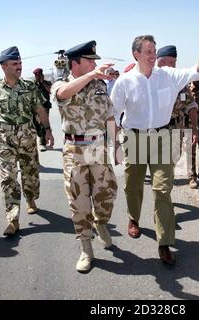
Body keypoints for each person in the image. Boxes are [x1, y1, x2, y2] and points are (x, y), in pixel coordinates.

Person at [111, 22, 199, 265]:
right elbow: (114, 115)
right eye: (148, 51)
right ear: (136, 54)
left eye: (154, 50)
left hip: (162, 138)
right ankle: (134, 218)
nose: (153, 55)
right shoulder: (125, 81)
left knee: (162, 190)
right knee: (133, 185)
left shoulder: (168, 76)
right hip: (134, 138)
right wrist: (114, 145)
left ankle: (165, 241)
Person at [51, 41, 118, 273]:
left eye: (95, 61)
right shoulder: (60, 84)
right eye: (90, 60)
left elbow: (109, 116)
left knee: (107, 195)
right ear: (75, 62)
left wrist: (116, 144)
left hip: (99, 148)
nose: (95, 64)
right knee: (79, 202)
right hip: (75, 151)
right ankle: (86, 248)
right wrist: (91, 76)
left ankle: (101, 223)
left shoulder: (99, 85)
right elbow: (62, 94)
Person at [0, 46, 54, 236]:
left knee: (30, 172)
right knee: (8, 177)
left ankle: (31, 198)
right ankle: (12, 219)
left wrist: (47, 130)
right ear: (4, 66)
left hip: (27, 136)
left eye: (20, 63)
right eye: (15, 63)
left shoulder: (30, 87)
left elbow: (40, 110)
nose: (19, 66)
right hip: (4, 138)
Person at [156, 45, 199, 168]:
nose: (173, 66)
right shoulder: (150, 81)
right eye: (170, 62)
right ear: (159, 62)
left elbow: (191, 105)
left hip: (176, 130)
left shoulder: (180, 83)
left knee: (172, 163)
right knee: (159, 166)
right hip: (155, 131)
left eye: (174, 62)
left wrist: (195, 128)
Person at [33, 68, 52, 151]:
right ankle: (40, 137)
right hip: (35, 107)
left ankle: (43, 142)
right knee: (36, 124)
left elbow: (51, 90)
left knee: (43, 124)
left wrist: (43, 83)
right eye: (36, 76)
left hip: (45, 107)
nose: (38, 77)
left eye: (39, 75)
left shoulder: (47, 83)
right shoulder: (32, 85)